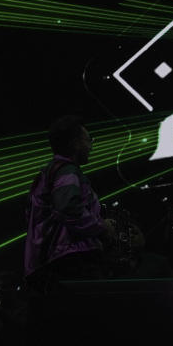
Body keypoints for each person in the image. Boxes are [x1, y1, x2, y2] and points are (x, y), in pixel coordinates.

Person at [24, 115, 113, 292]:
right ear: (75, 143)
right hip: (71, 259)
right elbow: (68, 208)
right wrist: (102, 227)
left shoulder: (47, 174)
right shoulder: (67, 171)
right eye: (89, 140)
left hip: (49, 262)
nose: (91, 146)